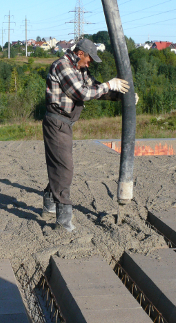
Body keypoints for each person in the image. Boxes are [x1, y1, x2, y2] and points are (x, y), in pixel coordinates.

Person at [41, 38, 138, 231]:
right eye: (89, 59)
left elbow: (97, 90)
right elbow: (82, 93)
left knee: (60, 166)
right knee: (64, 168)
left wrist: (122, 95)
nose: (90, 63)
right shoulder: (62, 66)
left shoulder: (80, 70)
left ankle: (49, 201)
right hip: (56, 122)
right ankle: (63, 220)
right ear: (79, 54)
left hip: (65, 123)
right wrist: (110, 84)